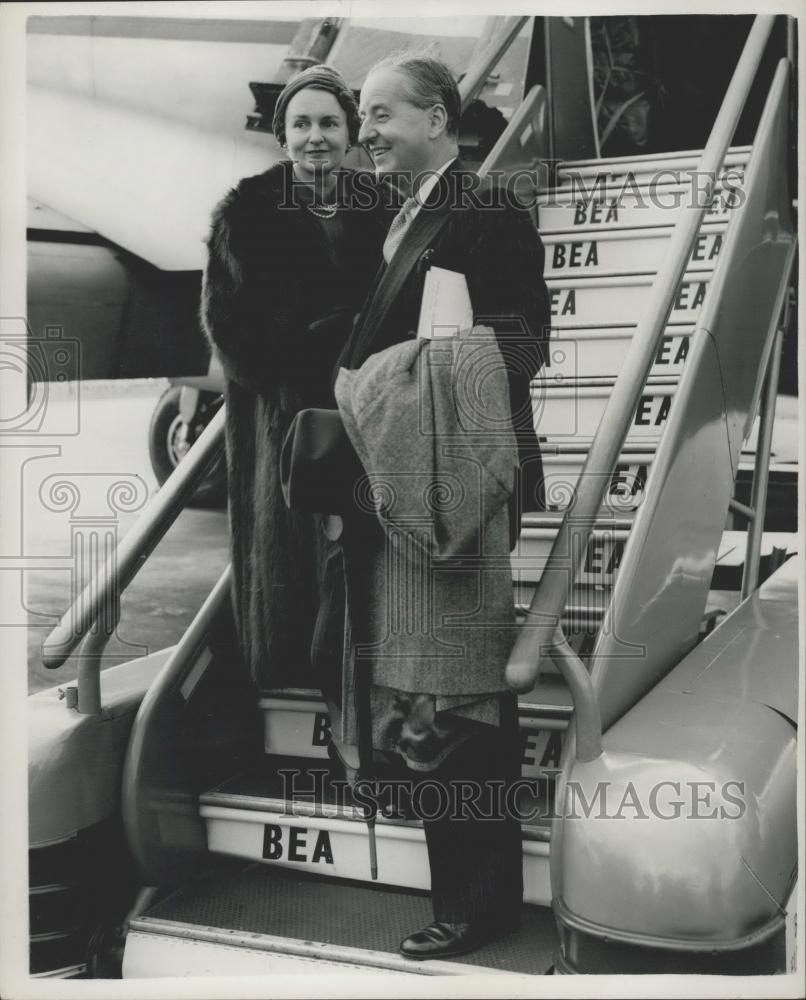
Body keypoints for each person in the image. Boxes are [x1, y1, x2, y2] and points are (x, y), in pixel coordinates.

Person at [331, 53, 550, 960]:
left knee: (453, 704)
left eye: (382, 114)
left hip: (453, 485)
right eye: (363, 114)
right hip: (399, 487)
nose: (366, 131)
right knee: (417, 700)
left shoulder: (489, 206)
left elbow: (519, 343)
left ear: (437, 118)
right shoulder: (389, 215)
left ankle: (477, 902)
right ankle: (468, 890)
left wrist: (376, 380)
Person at [200, 65, 386, 694]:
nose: (316, 137)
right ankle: (292, 668)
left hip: (371, 410)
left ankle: (361, 672)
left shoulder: (382, 206)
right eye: (301, 124)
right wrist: (312, 360)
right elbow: (229, 332)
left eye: (329, 123)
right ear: (283, 135)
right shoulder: (248, 212)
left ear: (350, 131)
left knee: (363, 554)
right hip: (283, 418)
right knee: (289, 548)